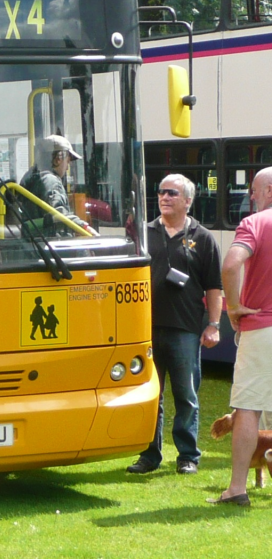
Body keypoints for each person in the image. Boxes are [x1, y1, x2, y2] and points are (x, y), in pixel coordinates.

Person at [127, 174, 222, 476]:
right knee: (149, 395)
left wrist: (214, 325)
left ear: (188, 200)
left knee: (186, 396)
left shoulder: (203, 237)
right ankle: (149, 455)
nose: (164, 197)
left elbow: (213, 287)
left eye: (171, 193)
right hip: (146, 331)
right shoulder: (143, 233)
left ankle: (187, 456)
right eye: (160, 192)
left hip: (185, 329)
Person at [208, 166, 272, 506]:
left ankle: (237, 489)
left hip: (263, 328)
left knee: (247, 408)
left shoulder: (256, 224)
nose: (251, 196)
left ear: (270, 191)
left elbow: (231, 265)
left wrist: (233, 306)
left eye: (255, 190)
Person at [18, 134, 97, 235]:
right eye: (67, 162)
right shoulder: (51, 182)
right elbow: (58, 215)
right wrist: (84, 227)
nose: (67, 168)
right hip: (51, 243)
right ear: (58, 159)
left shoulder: (30, 178)